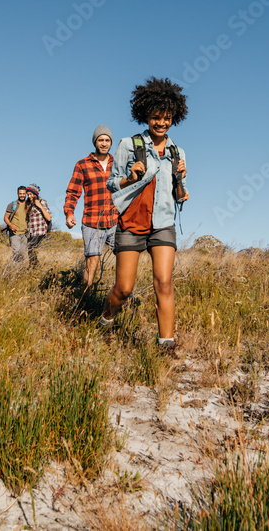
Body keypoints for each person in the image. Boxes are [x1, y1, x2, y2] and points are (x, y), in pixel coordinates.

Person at [102, 77, 188, 354]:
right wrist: (130, 177)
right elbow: (112, 184)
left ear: (174, 117)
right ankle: (106, 319)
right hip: (131, 222)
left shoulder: (177, 151)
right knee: (124, 289)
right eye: (156, 117)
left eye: (167, 118)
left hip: (163, 224)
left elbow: (177, 194)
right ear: (145, 115)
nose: (161, 123)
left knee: (164, 282)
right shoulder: (129, 144)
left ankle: (166, 346)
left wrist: (182, 185)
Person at [64, 125, 119, 286]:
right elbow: (73, 191)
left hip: (116, 220)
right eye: (100, 140)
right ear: (95, 142)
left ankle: (123, 296)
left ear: (111, 143)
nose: (104, 143)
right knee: (92, 260)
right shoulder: (83, 164)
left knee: (124, 257)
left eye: (107, 140)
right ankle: (85, 297)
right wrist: (69, 212)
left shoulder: (118, 163)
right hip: (92, 221)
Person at [24, 183, 51, 267]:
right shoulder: (28, 204)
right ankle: (33, 267)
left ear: (35, 194)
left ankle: (34, 266)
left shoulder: (42, 202)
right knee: (30, 250)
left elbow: (49, 217)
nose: (29, 196)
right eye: (28, 194)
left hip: (40, 230)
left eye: (31, 194)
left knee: (32, 249)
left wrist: (40, 206)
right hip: (31, 232)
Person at [3, 186, 29, 263]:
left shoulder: (28, 205)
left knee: (22, 253)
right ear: (17, 194)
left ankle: (19, 269)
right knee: (16, 252)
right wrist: (11, 225)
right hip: (14, 233)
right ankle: (14, 268)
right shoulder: (12, 205)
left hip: (25, 233)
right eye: (20, 193)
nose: (22, 195)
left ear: (26, 194)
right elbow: (5, 217)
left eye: (23, 194)